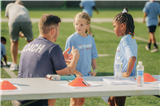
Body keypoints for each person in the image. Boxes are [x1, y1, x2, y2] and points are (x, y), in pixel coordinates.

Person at [11, 14, 80, 106]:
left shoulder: (27, 45)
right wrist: (76, 56)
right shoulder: (53, 48)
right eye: (58, 29)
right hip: (34, 101)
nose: (58, 32)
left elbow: (40, 63)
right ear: (53, 31)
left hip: (17, 97)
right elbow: (68, 73)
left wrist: (60, 59)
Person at [102, 8, 138, 106]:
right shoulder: (131, 38)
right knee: (111, 100)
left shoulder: (125, 40)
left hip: (123, 81)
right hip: (120, 80)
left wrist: (126, 73)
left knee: (119, 104)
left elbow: (132, 57)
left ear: (122, 26)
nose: (113, 29)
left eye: (114, 26)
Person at [65, 12, 98, 106]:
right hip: (75, 76)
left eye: (81, 25)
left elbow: (93, 57)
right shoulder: (71, 39)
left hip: (87, 75)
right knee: (74, 101)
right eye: (76, 24)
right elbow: (67, 60)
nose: (78, 27)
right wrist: (76, 72)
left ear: (88, 25)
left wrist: (95, 70)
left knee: (82, 101)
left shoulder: (91, 39)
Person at [5, 0, 33, 71]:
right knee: (30, 42)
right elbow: (27, 21)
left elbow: (10, 19)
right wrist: (23, 33)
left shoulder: (9, 5)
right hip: (26, 21)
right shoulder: (25, 8)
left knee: (14, 41)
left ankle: (14, 64)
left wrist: (16, 32)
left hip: (14, 21)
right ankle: (32, 64)